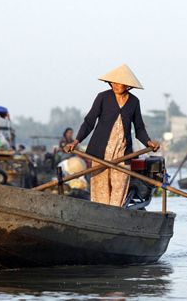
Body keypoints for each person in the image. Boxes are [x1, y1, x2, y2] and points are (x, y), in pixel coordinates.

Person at [65, 64, 160, 207]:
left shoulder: (134, 102)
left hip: (122, 154)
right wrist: (76, 141)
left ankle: (115, 215)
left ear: (127, 85)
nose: (115, 85)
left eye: (119, 83)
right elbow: (89, 121)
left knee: (119, 189)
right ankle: (99, 216)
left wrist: (149, 142)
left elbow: (139, 128)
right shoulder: (103, 97)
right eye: (113, 82)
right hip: (100, 153)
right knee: (100, 190)